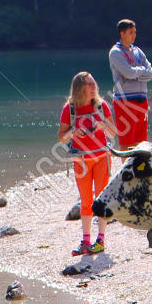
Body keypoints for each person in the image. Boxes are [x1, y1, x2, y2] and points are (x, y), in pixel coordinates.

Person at [57, 71, 120, 256]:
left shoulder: (101, 106)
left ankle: (100, 240)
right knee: (85, 201)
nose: (94, 87)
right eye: (89, 84)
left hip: (102, 158)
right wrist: (73, 132)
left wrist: (103, 125)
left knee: (101, 199)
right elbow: (61, 137)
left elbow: (113, 133)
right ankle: (85, 241)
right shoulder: (69, 109)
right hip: (81, 160)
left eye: (94, 84)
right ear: (79, 88)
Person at [109, 20, 152, 148]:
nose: (134, 35)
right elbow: (128, 73)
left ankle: (139, 162)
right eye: (130, 32)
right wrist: (140, 71)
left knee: (141, 142)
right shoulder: (115, 52)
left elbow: (151, 73)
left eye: (134, 32)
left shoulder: (138, 51)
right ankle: (126, 162)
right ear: (122, 33)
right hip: (125, 101)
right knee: (127, 142)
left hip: (142, 100)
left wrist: (135, 73)